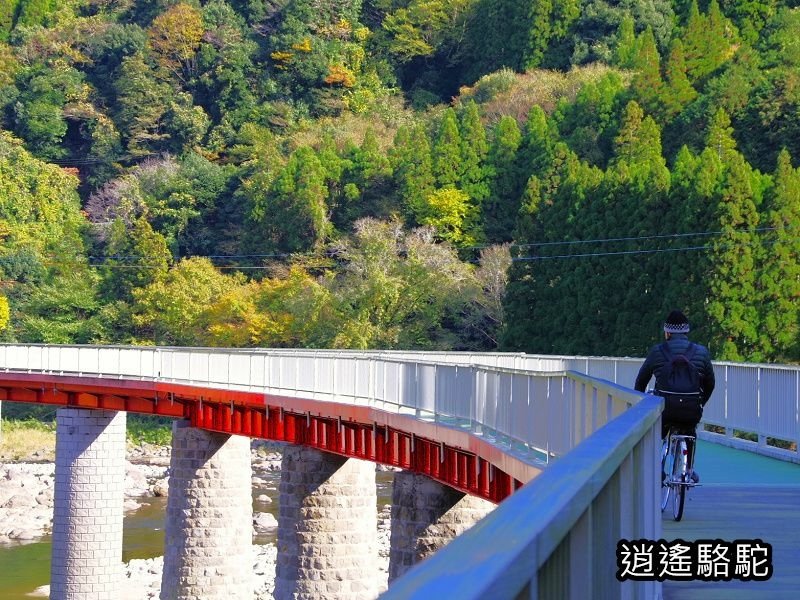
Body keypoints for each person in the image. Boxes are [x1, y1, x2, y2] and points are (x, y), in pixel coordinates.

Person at [634, 310, 715, 483]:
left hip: (665, 409)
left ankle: (658, 468)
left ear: (667, 332)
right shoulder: (701, 352)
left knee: (657, 432)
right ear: (686, 332)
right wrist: (701, 402)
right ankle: (689, 469)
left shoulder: (657, 352)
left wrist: (640, 405)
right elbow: (710, 383)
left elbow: (641, 381)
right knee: (690, 430)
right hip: (691, 408)